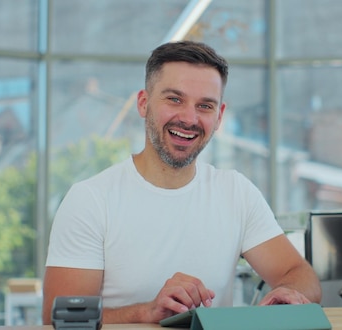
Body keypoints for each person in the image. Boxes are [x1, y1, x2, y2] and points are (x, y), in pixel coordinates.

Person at [42, 40, 321, 325]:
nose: (189, 118)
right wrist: (146, 312)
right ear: (143, 103)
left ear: (220, 116)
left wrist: (289, 291)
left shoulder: (236, 193)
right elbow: (58, 321)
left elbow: (301, 275)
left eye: (205, 106)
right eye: (175, 99)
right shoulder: (90, 200)